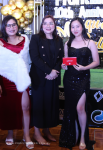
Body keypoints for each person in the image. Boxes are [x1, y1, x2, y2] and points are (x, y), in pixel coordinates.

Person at [0, 15, 34, 149]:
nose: (11, 27)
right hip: (6, 81)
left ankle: (27, 136)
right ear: (4, 27)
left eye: (14, 24)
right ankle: (10, 134)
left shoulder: (25, 40)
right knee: (9, 109)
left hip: (22, 79)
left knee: (25, 108)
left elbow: (29, 61)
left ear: (17, 26)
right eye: (8, 25)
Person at [59, 17, 99, 150]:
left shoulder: (90, 43)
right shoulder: (67, 44)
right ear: (70, 29)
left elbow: (96, 62)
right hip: (69, 79)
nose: (75, 29)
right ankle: (74, 134)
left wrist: (84, 67)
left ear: (82, 27)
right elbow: (65, 62)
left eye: (77, 26)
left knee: (80, 108)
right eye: (72, 27)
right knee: (71, 108)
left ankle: (82, 137)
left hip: (83, 78)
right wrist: (63, 66)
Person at [29, 15, 64, 145]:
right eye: (45, 23)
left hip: (53, 77)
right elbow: (35, 57)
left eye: (51, 23)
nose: (48, 26)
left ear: (54, 25)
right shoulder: (35, 38)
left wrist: (54, 71)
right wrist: (49, 71)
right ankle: (37, 133)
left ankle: (46, 131)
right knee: (39, 105)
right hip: (40, 77)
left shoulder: (58, 39)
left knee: (50, 105)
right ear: (42, 25)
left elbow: (60, 58)